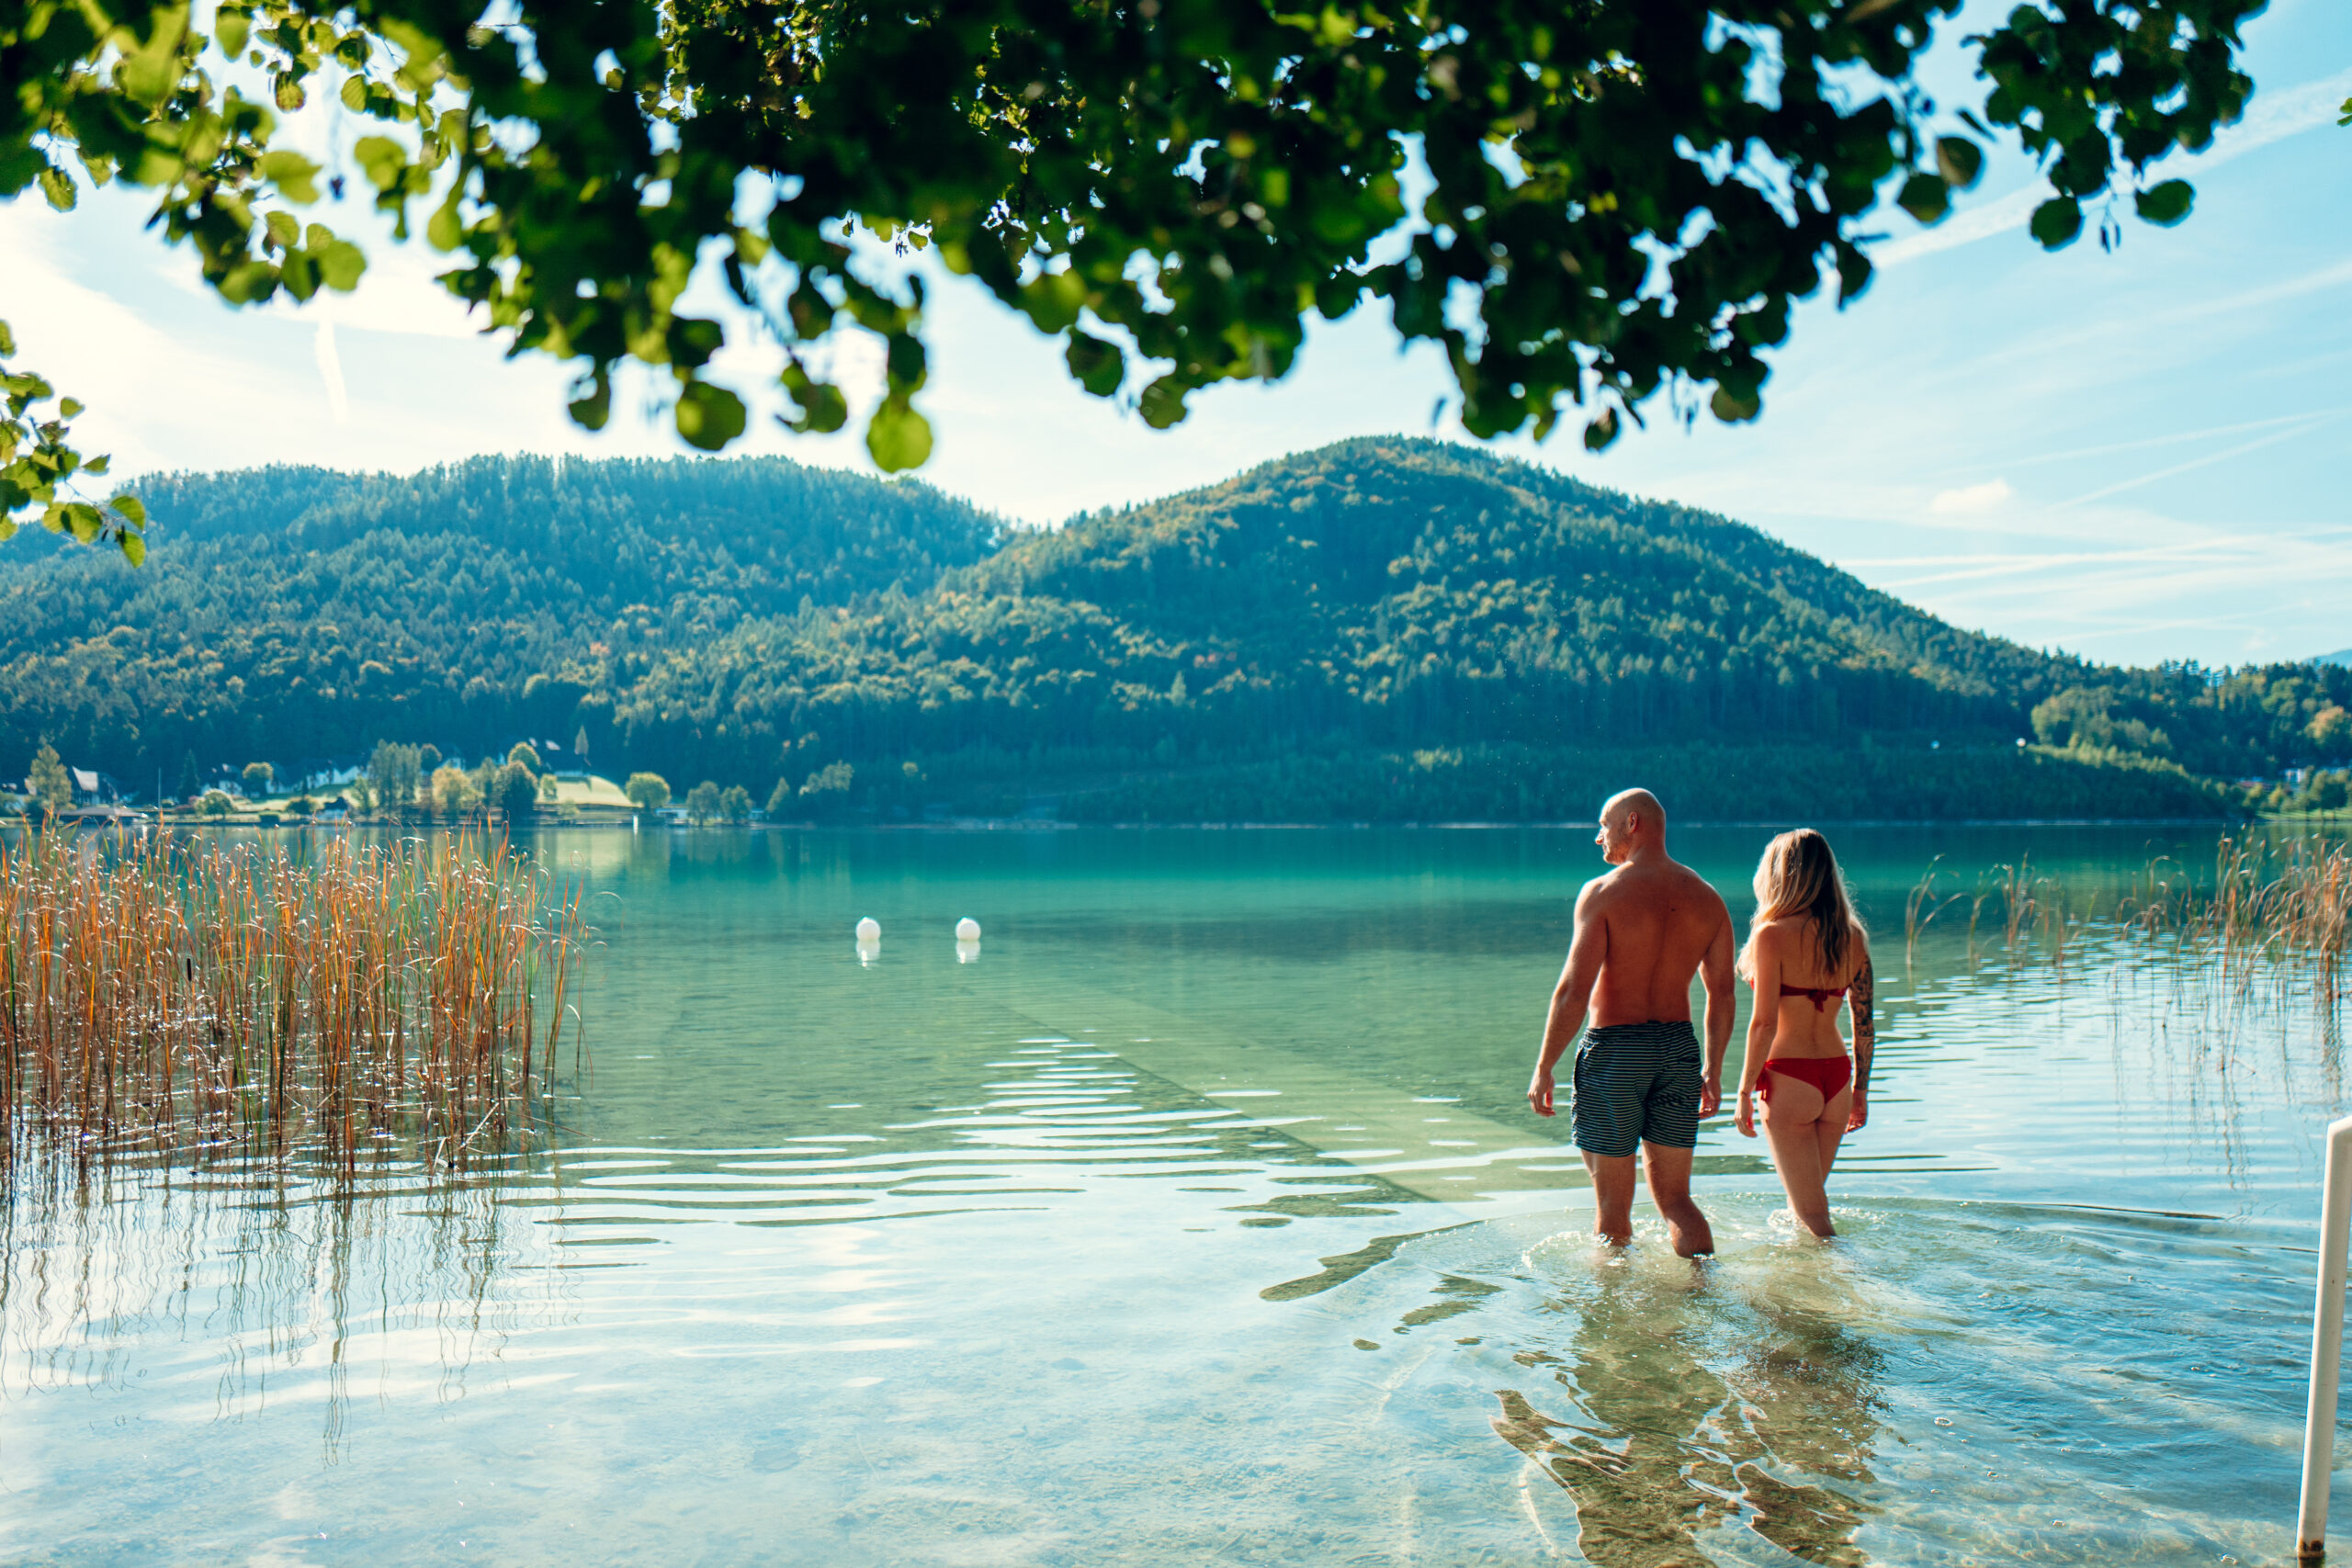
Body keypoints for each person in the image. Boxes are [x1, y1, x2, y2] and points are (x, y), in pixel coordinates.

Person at [1527, 788, 1736, 1258]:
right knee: (1678, 1201)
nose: (1598, 838)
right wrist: (1714, 1070)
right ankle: (1701, 1293)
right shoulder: (1708, 898)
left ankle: (1616, 1318)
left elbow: (1573, 992)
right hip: (1679, 1052)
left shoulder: (1602, 893)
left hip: (1615, 1053)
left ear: (1633, 823)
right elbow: (1722, 994)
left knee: (1613, 1213)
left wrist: (1544, 1066)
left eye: (1605, 825)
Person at [1732, 829, 1876, 1238]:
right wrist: (1860, 1092)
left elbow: (1763, 1024)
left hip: (1789, 1079)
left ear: (1780, 875)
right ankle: (1805, 1294)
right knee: (1807, 1207)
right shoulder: (1853, 937)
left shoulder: (1771, 934)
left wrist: (1743, 1091)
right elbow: (1864, 1024)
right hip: (1837, 1080)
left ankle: (1856, 1286)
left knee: (1813, 1216)